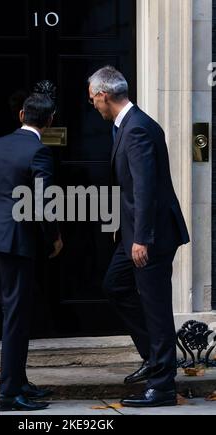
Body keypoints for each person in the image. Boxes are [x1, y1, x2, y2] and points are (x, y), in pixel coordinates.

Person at [88, 66, 190, 408]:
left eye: (93, 99)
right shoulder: (128, 126)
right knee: (114, 284)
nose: (93, 106)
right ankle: (155, 357)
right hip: (135, 230)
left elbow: (146, 188)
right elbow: (133, 186)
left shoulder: (137, 130)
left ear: (104, 95)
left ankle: (162, 386)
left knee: (156, 307)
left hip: (153, 236)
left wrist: (141, 238)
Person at [0, 93, 63, 412]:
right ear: (49, 121)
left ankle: (20, 381)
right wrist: (54, 238)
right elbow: (42, 201)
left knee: (14, 312)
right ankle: (9, 394)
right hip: (15, 242)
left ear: (22, 114)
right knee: (15, 315)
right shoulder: (39, 151)